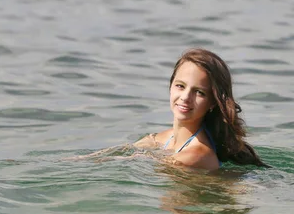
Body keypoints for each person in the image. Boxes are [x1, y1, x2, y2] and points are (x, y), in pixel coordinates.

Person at [76, 48, 268, 170]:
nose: (185, 97)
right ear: (170, 87)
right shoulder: (163, 138)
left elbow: (138, 164)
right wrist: (80, 160)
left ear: (213, 103)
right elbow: (125, 151)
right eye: (180, 86)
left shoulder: (197, 155)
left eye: (199, 92)